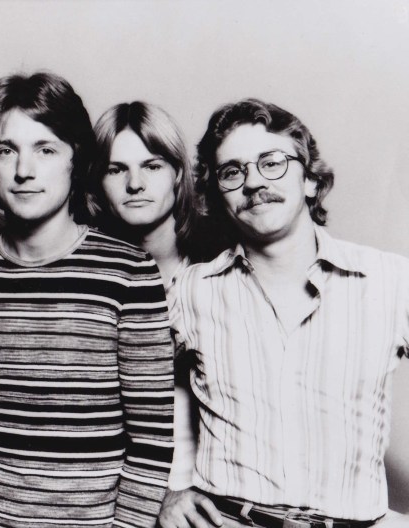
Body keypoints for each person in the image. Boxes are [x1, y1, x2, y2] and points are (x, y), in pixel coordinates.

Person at [0, 73, 174, 528]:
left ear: (75, 160)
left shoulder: (130, 274)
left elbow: (151, 440)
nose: (24, 170)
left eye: (45, 150)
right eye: (7, 151)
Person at [158, 99, 409, 527]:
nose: (254, 182)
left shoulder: (390, 281)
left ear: (310, 180)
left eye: (272, 163)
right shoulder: (192, 289)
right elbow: (112, 397)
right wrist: (164, 490)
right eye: (232, 172)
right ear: (218, 195)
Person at [87, 100, 222, 494]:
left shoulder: (222, 265)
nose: (135, 184)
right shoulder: (84, 273)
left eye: (152, 166)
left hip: (216, 494)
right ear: (97, 181)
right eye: (116, 169)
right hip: (119, 492)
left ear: (178, 173)